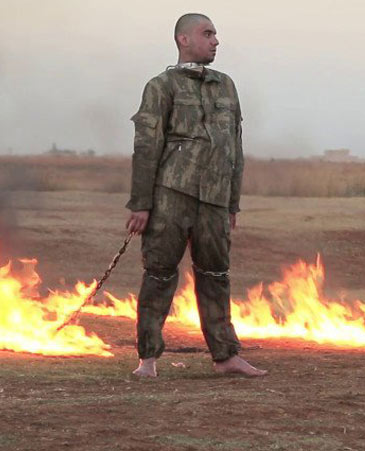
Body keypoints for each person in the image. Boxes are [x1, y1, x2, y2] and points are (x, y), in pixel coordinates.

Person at [125, 13, 267, 377]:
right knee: (158, 274)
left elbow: (234, 147)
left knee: (216, 274)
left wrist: (232, 202)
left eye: (216, 34)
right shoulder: (162, 86)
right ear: (183, 39)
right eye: (208, 34)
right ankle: (148, 359)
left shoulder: (226, 87)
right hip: (172, 196)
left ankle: (226, 356)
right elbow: (146, 147)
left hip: (215, 201)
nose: (216, 41)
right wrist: (141, 203)